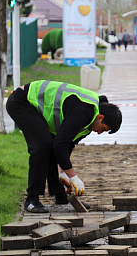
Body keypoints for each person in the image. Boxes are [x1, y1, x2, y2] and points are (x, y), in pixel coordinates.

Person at [6, 80, 122, 213]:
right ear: (100, 117)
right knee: (42, 145)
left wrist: (63, 174)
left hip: (35, 109)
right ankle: (31, 200)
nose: (100, 132)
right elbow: (60, 145)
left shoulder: (90, 123)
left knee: (51, 145)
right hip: (22, 101)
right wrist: (73, 177)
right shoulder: (83, 111)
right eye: (103, 129)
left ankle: (61, 197)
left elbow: (65, 145)